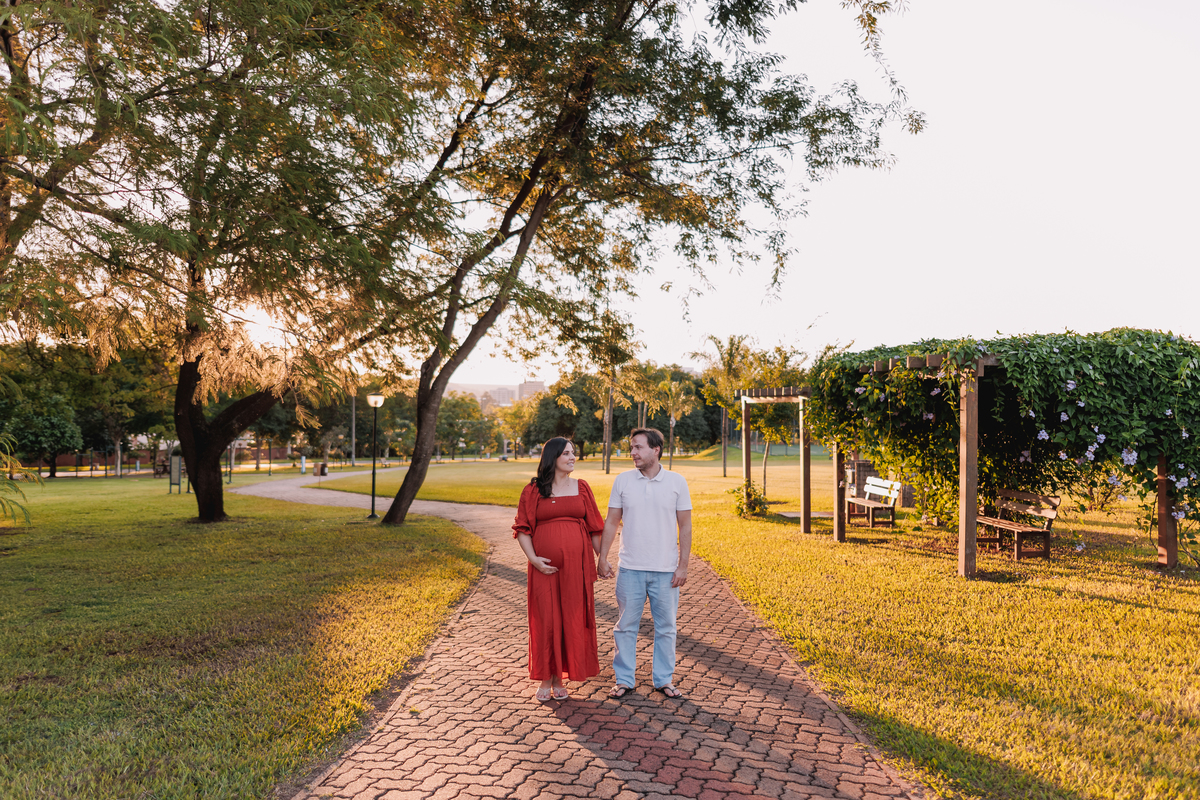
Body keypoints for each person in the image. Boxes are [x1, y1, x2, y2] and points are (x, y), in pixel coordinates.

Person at [597, 427, 692, 700]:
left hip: (665, 571)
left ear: (656, 450)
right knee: (626, 626)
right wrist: (602, 557)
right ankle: (624, 680)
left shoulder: (676, 481)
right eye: (631, 447)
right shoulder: (623, 481)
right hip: (630, 568)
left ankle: (664, 680)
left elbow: (685, 526)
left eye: (638, 447)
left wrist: (682, 565)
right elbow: (612, 521)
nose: (633, 453)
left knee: (666, 628)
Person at [512, 437, 605, 701]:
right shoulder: (533, 490)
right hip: (543, 568)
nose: (572, 457)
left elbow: (595, 527)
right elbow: (522, 529)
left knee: (573, 617)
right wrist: (534, 560)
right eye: (566, 453)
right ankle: (546, 677)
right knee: (545, 619)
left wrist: (603, 559)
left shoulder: (582, 488)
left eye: (573, 452)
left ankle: (563, 676)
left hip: (577, 568)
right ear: (552, 457)